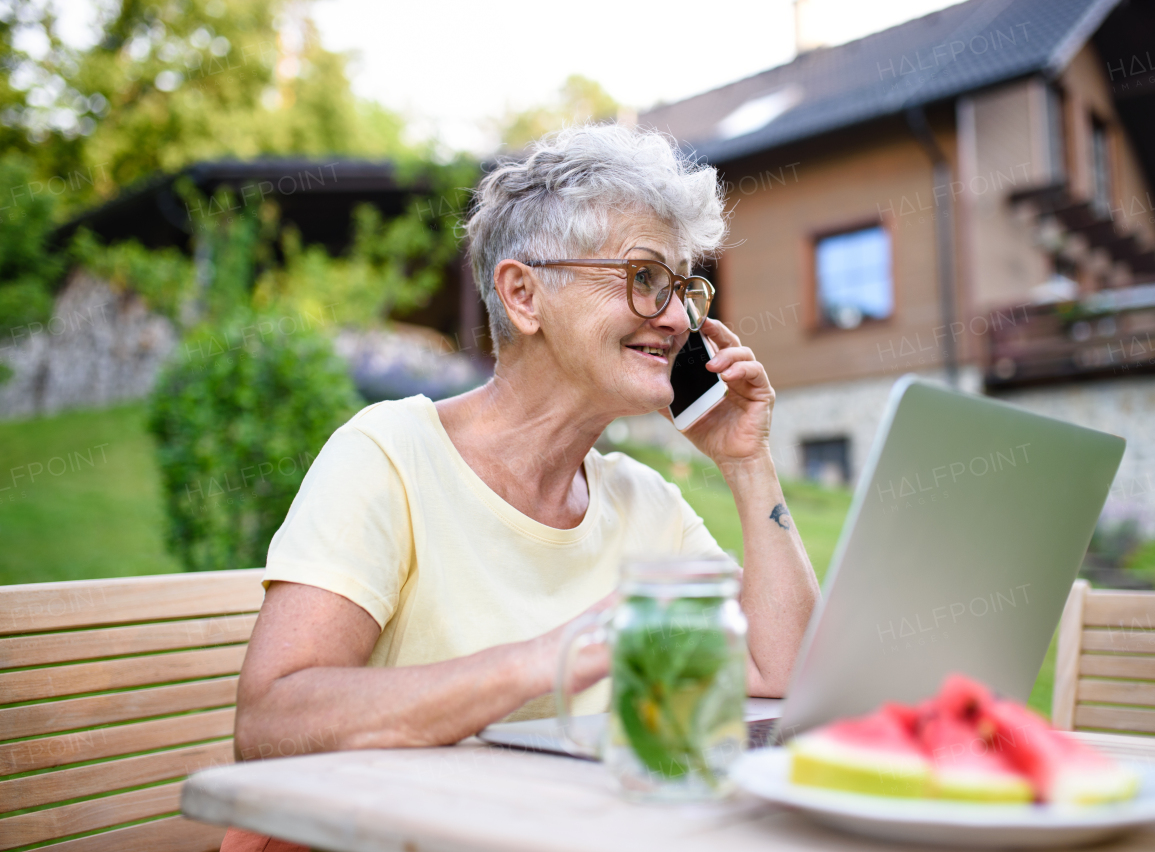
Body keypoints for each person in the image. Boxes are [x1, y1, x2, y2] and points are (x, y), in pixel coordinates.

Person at [221, 124, 820, 852]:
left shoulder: (643, 501)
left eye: (682, 288)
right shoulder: (389, 456)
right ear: (524, 295)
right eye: (643, 279)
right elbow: (271, 721)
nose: (674, 318)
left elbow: (780, 673)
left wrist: (747, 460)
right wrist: (549, 658)